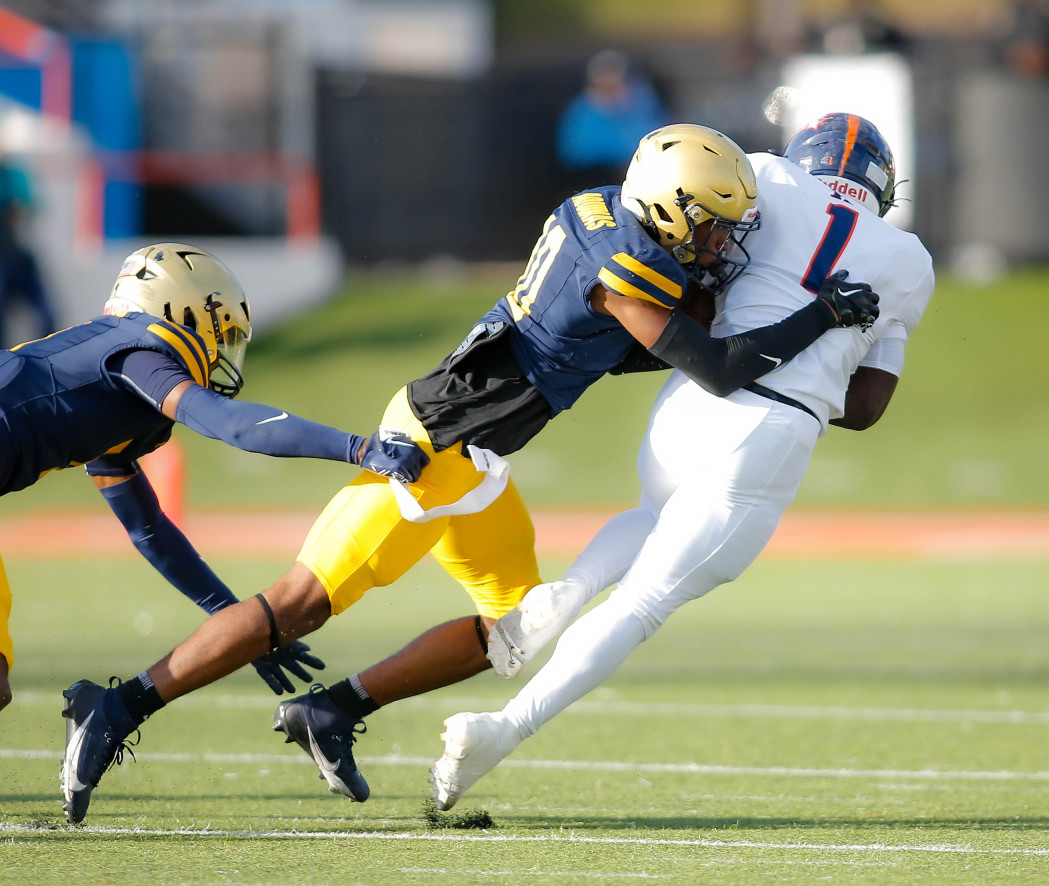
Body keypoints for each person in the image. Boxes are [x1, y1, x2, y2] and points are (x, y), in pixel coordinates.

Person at [59, 124, 880, 823]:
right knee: (298, 604)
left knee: (513, 633)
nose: (717, 240)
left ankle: (333, 709)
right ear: (669, 206)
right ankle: (120, 704)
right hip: (430, 445)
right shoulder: (625, 264)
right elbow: (716, 365)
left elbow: (617, 348)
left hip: (480, 460)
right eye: (709, 224)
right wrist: (823, 314)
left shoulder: (604, 213)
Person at [428, 112, 935, 811]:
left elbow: (711, 266)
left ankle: (563, 596)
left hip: (689, 401)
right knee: (643, 606)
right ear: (881, 186)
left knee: (648, 513)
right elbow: (869, 406)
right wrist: (819, 374)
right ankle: (502, 730)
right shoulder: (908, 259)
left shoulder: (763, 175)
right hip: (773, 428)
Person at [0, 242, 427, 718]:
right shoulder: (138, 353)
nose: (223, 349)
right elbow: (232, 424)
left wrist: (236, 622)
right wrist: (359, 448)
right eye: (220, 332)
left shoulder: (111, 392)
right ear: (178, 311)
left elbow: (149, 529)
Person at [555, 50, 668, 194]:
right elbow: (576, 153)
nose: (614, 89)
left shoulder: (641, 103)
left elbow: (659, 132)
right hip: (597, 180)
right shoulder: (583, 112)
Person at [0, 150, 58, 347]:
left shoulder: (15, 174)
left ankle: (49, 354)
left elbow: (30, 204)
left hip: (19, 255)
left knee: (46, 314)